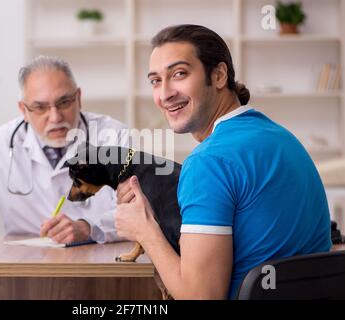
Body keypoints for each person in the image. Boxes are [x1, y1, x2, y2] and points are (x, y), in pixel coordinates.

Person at [115, 24, 332, 299]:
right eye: (156, 81)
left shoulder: (209, 162)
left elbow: (201, 296)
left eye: (179, 74)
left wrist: (146, 231)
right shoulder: (283, 139)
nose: (165, 93)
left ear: (218, 75)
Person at [0, 55, 128, 244]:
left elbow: (136, 211)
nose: (55, 117)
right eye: (40, 107)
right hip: (26, 262)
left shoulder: (114, 136)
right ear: (23, 110)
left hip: (99, 262)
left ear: (78, 98)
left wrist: (88, 228)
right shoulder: (0, 142)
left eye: (64, 102)